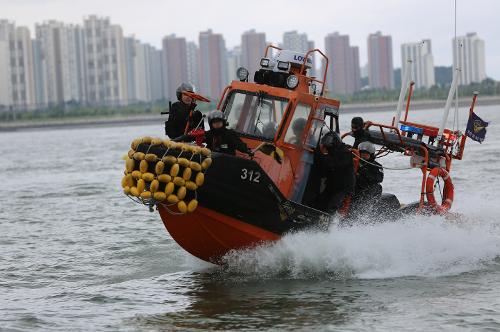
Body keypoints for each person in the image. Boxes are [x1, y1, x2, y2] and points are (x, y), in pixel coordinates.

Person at [177, 110, 254, 156]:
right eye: (214, 122)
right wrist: (179, 139)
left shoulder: (229, 134)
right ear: (211, 124)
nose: (217, 124)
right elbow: (192, 136)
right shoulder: (209, 134)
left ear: (223, 122)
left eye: (219, 122)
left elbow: (238, 144)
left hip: (227, 162)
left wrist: (247, 150)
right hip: (211, 161)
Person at [314, 131, 355, 214]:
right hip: (332, 184)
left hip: (344, 187)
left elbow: (334, 164)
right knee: (320, 202)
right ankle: (313, 217)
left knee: (333, 206)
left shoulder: (345, 152)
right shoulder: (332, 152)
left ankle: (332, 224)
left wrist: (319, 155)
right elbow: (326, 168)